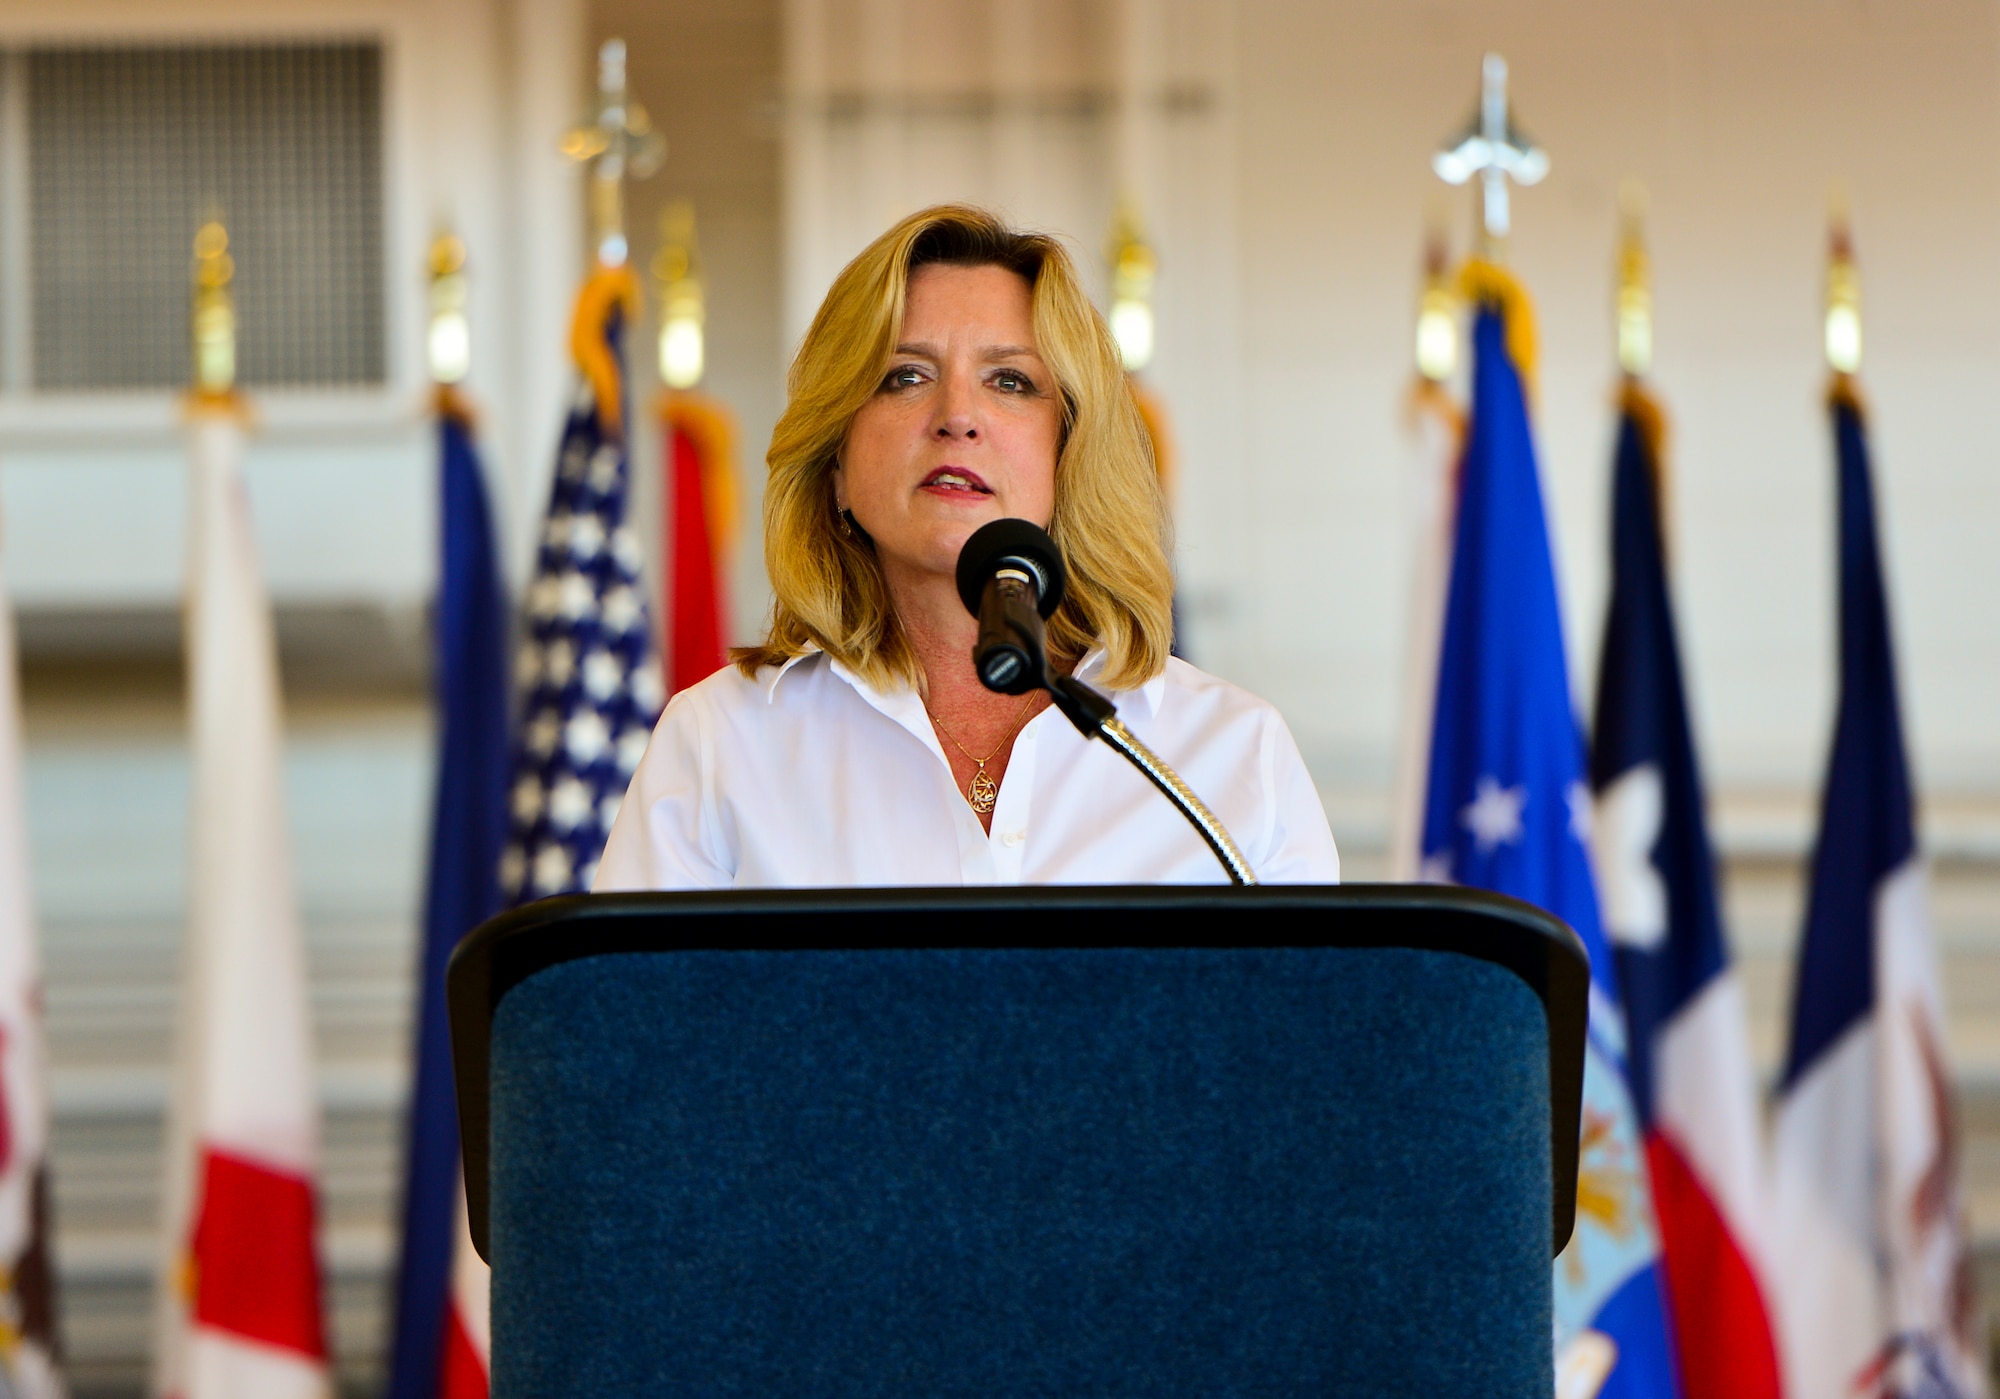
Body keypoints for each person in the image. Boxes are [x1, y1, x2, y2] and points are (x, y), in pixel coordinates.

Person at [594, 204, 1337, 889]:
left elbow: (1309, 1031)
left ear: (1067, 451)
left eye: (1010, 380)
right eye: (904, 376)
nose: (958, 416)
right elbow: (628, 1031)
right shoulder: (719, 747)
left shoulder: (1233, 756)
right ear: (838, 464)